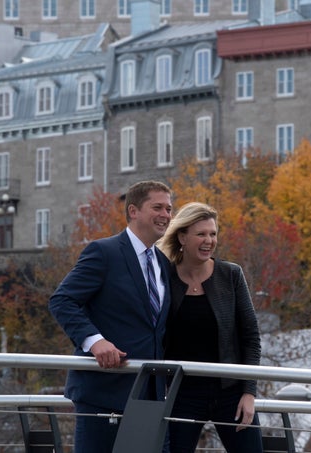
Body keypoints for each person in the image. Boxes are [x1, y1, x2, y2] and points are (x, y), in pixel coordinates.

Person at [48, 180, 173, 453]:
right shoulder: (104, 252)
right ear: (133, 211)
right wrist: (94, 341)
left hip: (150, 398)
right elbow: (63, 300)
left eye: (169, 208)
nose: (165, 214)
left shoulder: (163, 263)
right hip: (103, 394)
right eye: (157, 207)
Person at [159, 201, 263, 453]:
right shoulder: (163, 277)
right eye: (201, 234)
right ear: (182, 237)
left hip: (231, 393)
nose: (209, 240)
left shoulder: (231, 275)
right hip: (181, 396)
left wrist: (249, 393)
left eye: (213, 234)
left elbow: (251, 337)